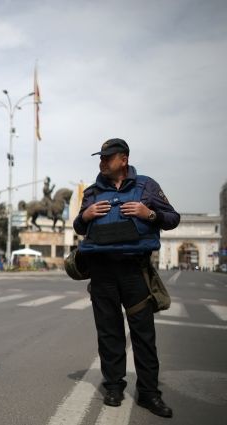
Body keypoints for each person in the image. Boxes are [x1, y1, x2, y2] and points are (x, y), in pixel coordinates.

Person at [73, 138, 180, 418]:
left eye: (108, 157)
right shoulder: (93, 191)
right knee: (109, 333)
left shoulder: (146, 186)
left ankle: (148, 394)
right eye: (101, 157)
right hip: (102, 272)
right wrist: (85, 214)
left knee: (143, 335)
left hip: (135, 271)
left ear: (124, 159)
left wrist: (150, 213)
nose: (102, 162)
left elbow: (172, 218)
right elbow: (79, 226)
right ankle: (113, 386)